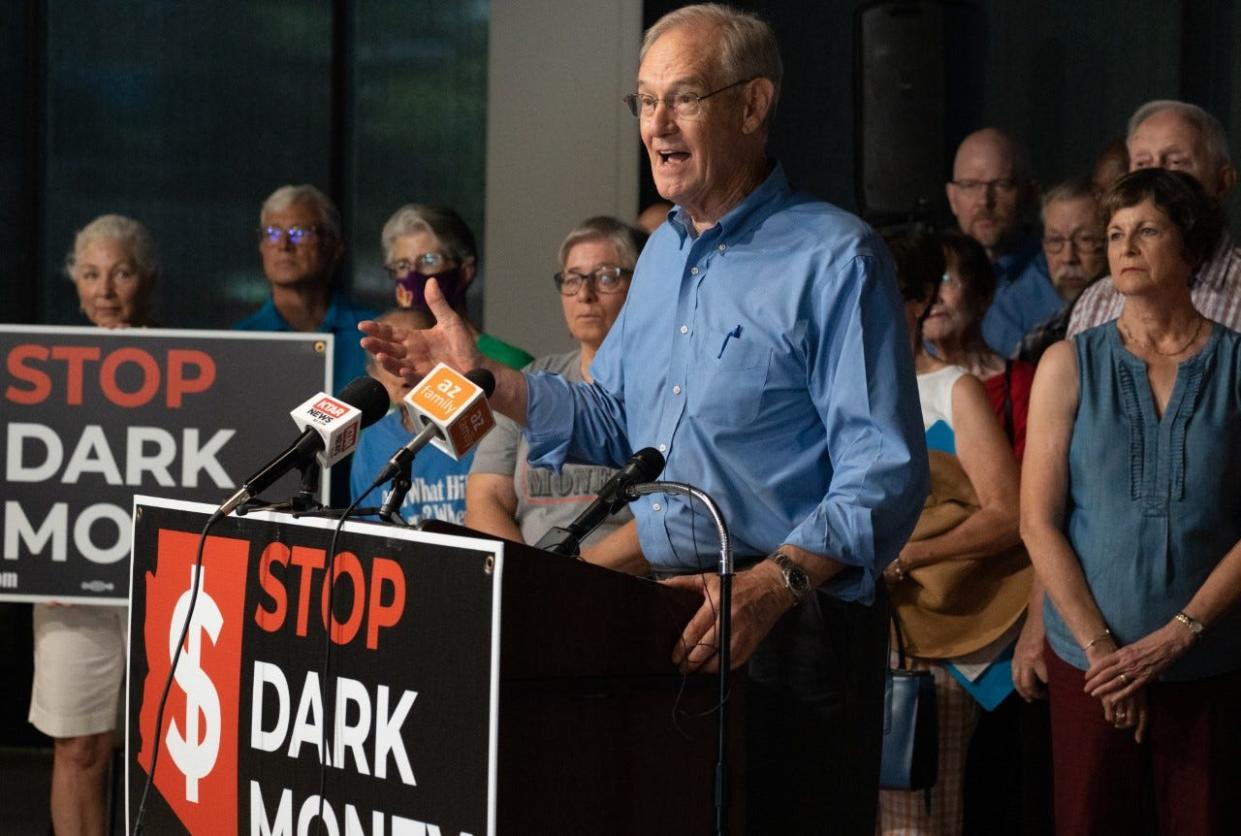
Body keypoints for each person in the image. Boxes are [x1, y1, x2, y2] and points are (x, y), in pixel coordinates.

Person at [361, 5, 928, 832]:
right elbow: (609, 418)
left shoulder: (834, 258)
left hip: (789, 625)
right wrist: (486, 379)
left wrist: (772, 587)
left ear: (752, 104)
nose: (656, 125)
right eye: (644, 102)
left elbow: (883, 471)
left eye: (683, 98)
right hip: (665, 618)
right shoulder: (662, 253)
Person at [1022, 168, 1241, 834]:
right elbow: (1037, 522)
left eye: (1146, 230)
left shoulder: (1236, 364)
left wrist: (1180, 634)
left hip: (1208, 662)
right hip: (1089, 663)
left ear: (1191, 250)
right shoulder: (1068, 363)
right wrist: (1101, 652)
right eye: (1115, 233)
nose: (1124, 246)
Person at [878, 229, 1026, 834]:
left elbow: (1007, 512)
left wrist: (912, 554)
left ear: (915, 303)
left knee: (918, 819)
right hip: (847, 633)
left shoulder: (952, 389)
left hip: (932, 642)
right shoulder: (828, 390)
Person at [30, 214, 159, 836]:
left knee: (170, 754)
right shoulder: (41, 370)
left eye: (122, 271)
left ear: (147, 280)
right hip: (69, 587)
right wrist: (40, 554)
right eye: (90, 273)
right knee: (78, 747)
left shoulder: (195, 364)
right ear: (74, 285)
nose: (105, 288)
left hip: (162, 586)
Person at [465, 217, 647, 574]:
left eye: (606, 276)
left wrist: (568, 579)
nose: (584, 294)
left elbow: (673, 521)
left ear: (641, 286)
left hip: (625, 591)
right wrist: (527, 576)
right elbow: (484, 499)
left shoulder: (667, 388)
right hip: (526, 587)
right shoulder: (530, 382)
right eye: (572, 279)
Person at [1068, 100, 1241, 337]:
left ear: (1223, 182)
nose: (1156, 178)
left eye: (1176, 163)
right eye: (1143, 164)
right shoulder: (1098, 300)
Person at [234, 184, 377, 390]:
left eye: (299, 232)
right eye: (272, 232)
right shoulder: (239, 342)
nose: (284, 245)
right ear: (262, 247)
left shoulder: (374, 333)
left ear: (334, 247)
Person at [945, 129, 1059, 358]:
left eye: (1002, 185)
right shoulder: (930, 283)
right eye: (970, 185)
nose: (984, 200)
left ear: (1030, 195)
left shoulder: (1058, 280)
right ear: (952, 197)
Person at [925, 230, 1036, 461]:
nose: (933, 297)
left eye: (945, 280)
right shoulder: (904, 391)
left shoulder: (1023, 384)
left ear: (982, 294)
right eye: (924, 284)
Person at [380, 203, 533, 370]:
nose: (413, 275)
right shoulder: (387, 358)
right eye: (402, 265)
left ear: (465, 271)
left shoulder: (509, 363)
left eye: (429, 261)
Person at [1014, 178, 1109, 364]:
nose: (1068, 257)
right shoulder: (1037, 342)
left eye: (1085, 239)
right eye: (1055, 240)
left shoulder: (1129, 331)